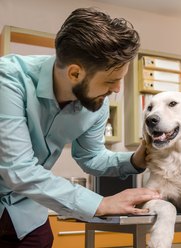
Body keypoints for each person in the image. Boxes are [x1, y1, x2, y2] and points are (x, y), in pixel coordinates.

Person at [0, 7, 160, 247]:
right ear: (75, 73)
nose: (117, 89)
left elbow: (91, 157)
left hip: (26, 211)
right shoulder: (8, 80)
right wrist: (100, 204)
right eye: (110, 80)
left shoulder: (97, 103)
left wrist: (135, 161)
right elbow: (18, 169)